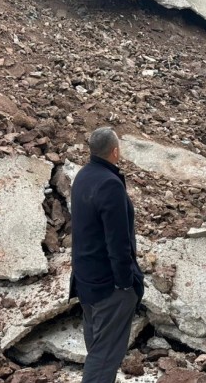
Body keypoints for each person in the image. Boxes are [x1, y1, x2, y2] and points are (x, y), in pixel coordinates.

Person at [69, 127, 144, 383]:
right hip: (108, 285)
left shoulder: (83, 176)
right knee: (104, 356)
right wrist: (125, 283)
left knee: (97, 346)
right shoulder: (110, 184)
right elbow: (118, 242)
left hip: (86, 279)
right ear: (115, 151)